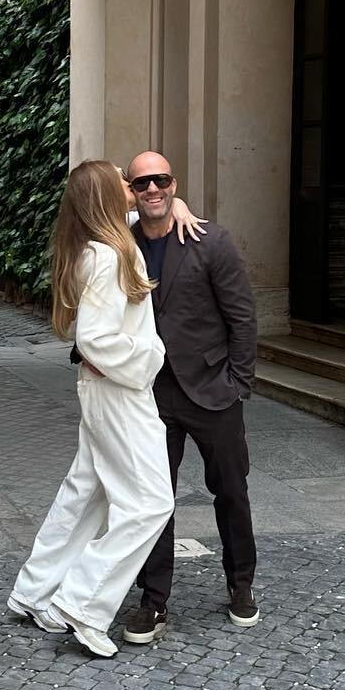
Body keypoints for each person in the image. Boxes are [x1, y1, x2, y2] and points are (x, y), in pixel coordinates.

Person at [7, 160, 175, 659]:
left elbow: (144, 211)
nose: (132, 185)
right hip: (121, 392)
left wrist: (179, 206)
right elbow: (96, 338)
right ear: (106, 194)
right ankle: (82, 603)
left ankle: (36, 591)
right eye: (123, 179)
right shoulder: (107, 256)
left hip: (105, 390)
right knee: (150, 503)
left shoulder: (97, 244)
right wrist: (151, 357)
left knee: (87, 493)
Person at [120, 149, 260, 644]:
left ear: (174, 184)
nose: (152, 189)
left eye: (160, 181)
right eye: (141, 183)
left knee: (232, 491)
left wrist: (238, 382)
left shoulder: (210, 241)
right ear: (131, 191)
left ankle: (240, 584)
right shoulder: (122, 242)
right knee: (155, 498)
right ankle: (153, 600)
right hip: (152, 394)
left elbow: (242, 316)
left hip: (214, 390)